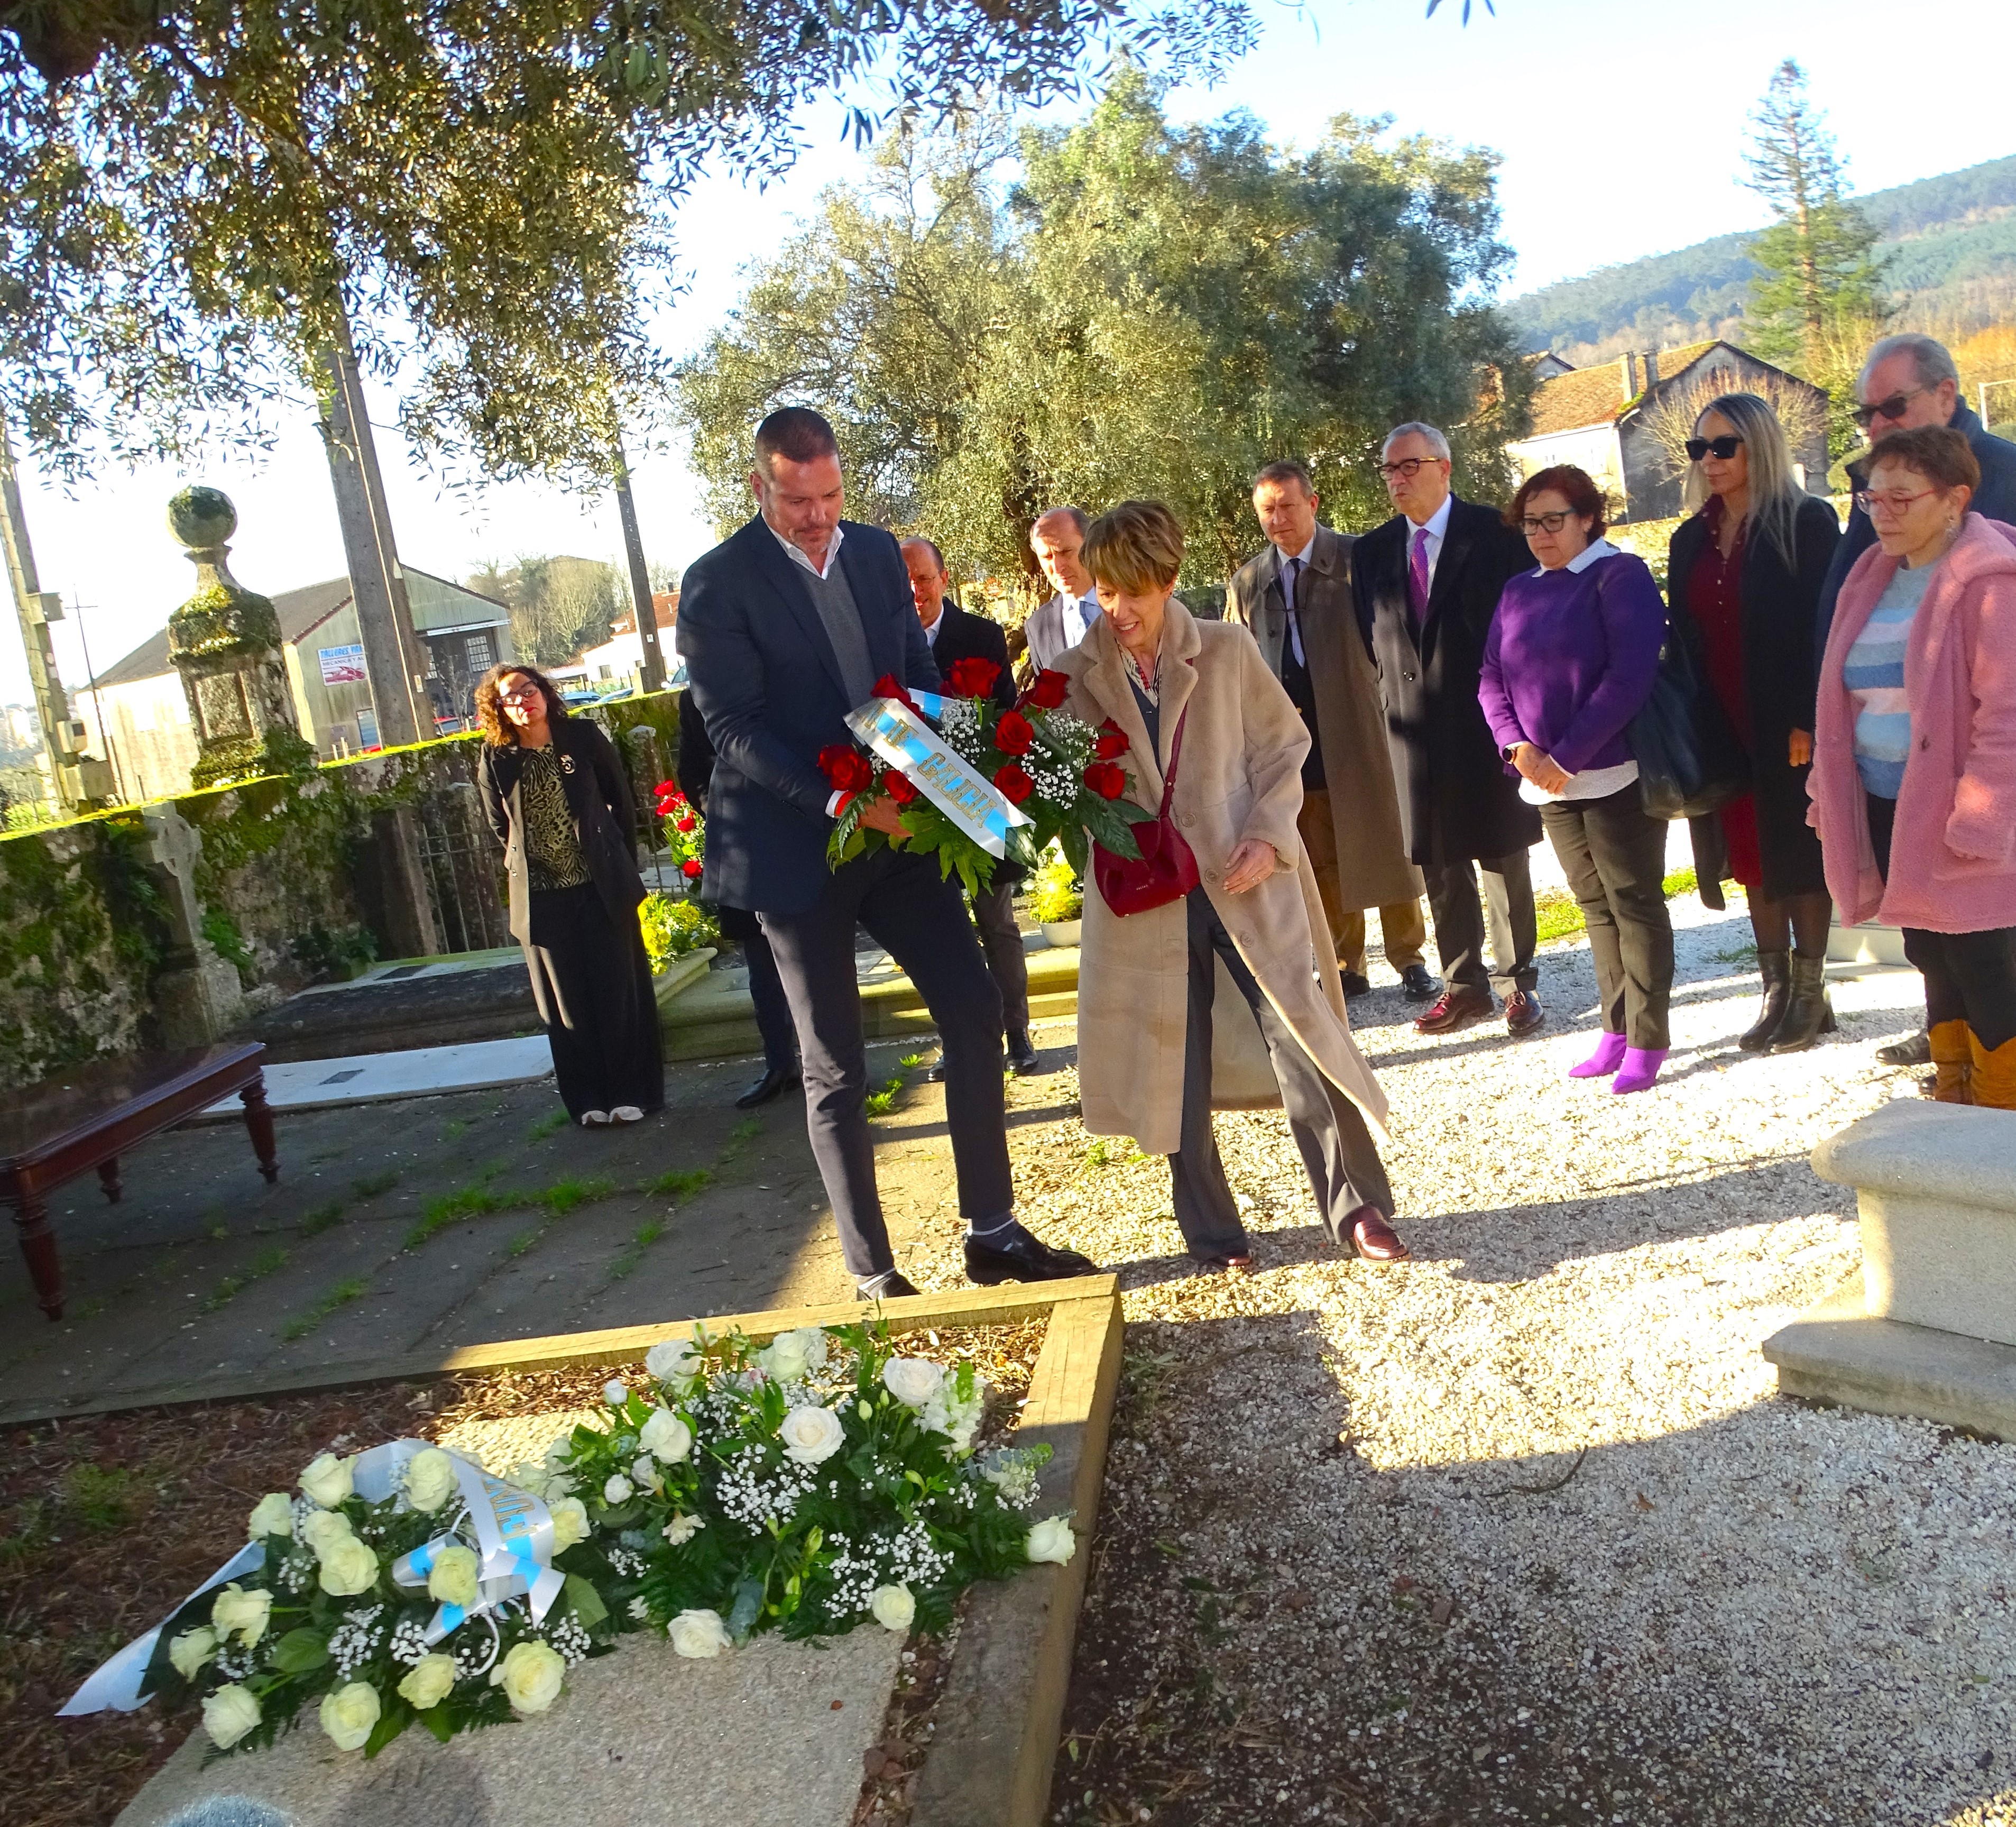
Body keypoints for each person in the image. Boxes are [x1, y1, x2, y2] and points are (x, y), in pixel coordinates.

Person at [675, 407, 1094, 1297]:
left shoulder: (872, 553)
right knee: (833, 1065)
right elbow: (733, 729)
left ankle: (992, 1232)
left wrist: (967, 774)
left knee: (976, 1008)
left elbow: (914, 679)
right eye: (797, 501)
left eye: (830, 495)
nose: (818, 516)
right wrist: (845, 805)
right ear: (759, 487)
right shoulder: (718, 583)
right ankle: (873, 1275)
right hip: (794, 849)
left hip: (900, 838)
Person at [1060, 499, 1409, 1269]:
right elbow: (1055, 786)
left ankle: (1358, 1210)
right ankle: (1213, 1234)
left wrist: (1267, 835)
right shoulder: (1069, 676)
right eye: (1106, 592)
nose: (1117, 610)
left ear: (1170, 581)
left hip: (1242, 876)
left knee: (1302, 1035)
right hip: (1143, 899)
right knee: (1169, 1062)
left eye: (1135, 593)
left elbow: (1285, 750)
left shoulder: (1226, 647)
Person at [1813, 333, 2016, 1070]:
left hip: (1968, 803)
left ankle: (1996, 1143)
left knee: (1988, 958)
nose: (1876, 422)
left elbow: (2006, 708)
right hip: (1890, 796)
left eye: (1891, 406)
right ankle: (1955, 1122)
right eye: (1873, 497)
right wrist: (1825, 786)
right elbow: (1846, 677)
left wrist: (1986, 810)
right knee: (1931, 951)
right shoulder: (1874, 562)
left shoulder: (1993, 551)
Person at [1479, 466, 1672, 1092]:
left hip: (1609, 770)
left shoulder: (1620, 575)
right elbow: (1490, 676)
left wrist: (1564, 757)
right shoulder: (1516, 589)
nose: (1539, 533)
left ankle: (1648, 1038)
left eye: (1552, 519)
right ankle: (1613, 1030)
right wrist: (1518, 747)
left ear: (1588, 516)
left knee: (1634, 903)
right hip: (1544, 778)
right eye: (1530, 522)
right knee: (1594, 907)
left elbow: (1629, 677)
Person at [1353, 421, 1544, 1038]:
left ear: (1445, 467)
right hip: (1412, 729)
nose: (1398, 479)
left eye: (1410, 465)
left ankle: (1518, 985)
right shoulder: (1373, 551)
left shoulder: (1496, 535)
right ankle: (1465, 986)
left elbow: (1522, 630)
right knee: (1439, 860)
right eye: (1389, 469)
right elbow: (1372, 640)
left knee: (1501, 853)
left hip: (1486, 723)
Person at [1666, 391, 1843, 1054]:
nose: (1708, 460)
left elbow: (1823, 627)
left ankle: (1809, 990)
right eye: (1698, 448)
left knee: (1799, 852)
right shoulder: (1690, 537)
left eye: (1723, 446)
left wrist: (1808, 716)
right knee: (1751, 857)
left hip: (1787, 719)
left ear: (1757, 446)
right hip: (1720, 718)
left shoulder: (1808, 522)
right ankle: (1775, 990)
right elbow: (1683, 634)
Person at [1225, 461, 1438, 1002]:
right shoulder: (1249, 581)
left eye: (1287, 506)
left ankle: (1409, 958)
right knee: (1319, 854)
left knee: (1387, 842)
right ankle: (1346, 963)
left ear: (1313, 504)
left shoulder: (1355, 560)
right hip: (1291, 739)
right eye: (1267, 510)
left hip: (1361, 725)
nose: (1278, 519)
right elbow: (1238, 662)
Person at [475, 664, 664, 1127]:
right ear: (499, 709)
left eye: (528, 689)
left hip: (599, 888)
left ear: (543, 692)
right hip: (543, 899)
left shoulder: (581, 737)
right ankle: (588, 1101)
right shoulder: (495, 757)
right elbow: (501, 827)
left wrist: (611, 857)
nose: (523, 700)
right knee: (566, 1005)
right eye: (510, 697)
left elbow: (620, 799)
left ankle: (630, 1093)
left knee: (617, 992)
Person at [901, 535, 1041, 1078]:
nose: (915, 591)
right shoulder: (883, 639)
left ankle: (1019, 1033)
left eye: (924, 578)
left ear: (944, 576)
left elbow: (1003, 716)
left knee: (997, 925)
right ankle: (959, 1041)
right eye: (905, 581)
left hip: (978, 798)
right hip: (917, 811)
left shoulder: (981, 636)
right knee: (938, 936)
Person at [676, 690, 800, 1109]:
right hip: (740, 841)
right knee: (761, 969)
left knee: (819, 959)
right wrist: (721, 807)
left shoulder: (781, 675)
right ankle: (780, 1065)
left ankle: (838, 1064)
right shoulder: (693, 699)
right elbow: (691, 770)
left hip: (798, 832)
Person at [1024, 506, 1103, 672]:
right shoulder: (1038, 627)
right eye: (1047, 557)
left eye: (1066, 552)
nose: (1058, 567)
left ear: (1089, 545)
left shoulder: (1132, 602)